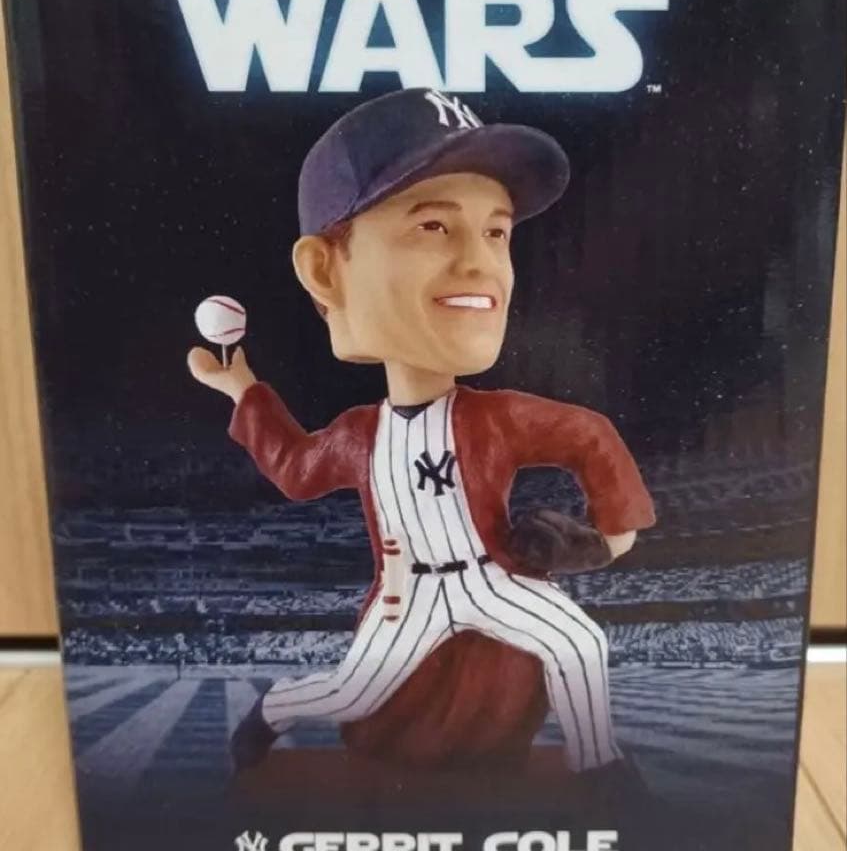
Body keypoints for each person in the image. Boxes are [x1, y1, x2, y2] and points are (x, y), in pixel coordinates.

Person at [188, 88, 655, 786]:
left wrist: (611, 535)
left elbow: (588, 434)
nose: (480, 262)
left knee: (577, 640)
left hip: (488, 574)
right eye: (433, 225)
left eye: (496, 232)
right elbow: (294, 469)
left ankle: (600, 766)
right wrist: (244, 391)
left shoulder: (489, 417)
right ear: (324, 270)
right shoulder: (360, 434)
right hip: (408, 593)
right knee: (354, 692)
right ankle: (277, 706)